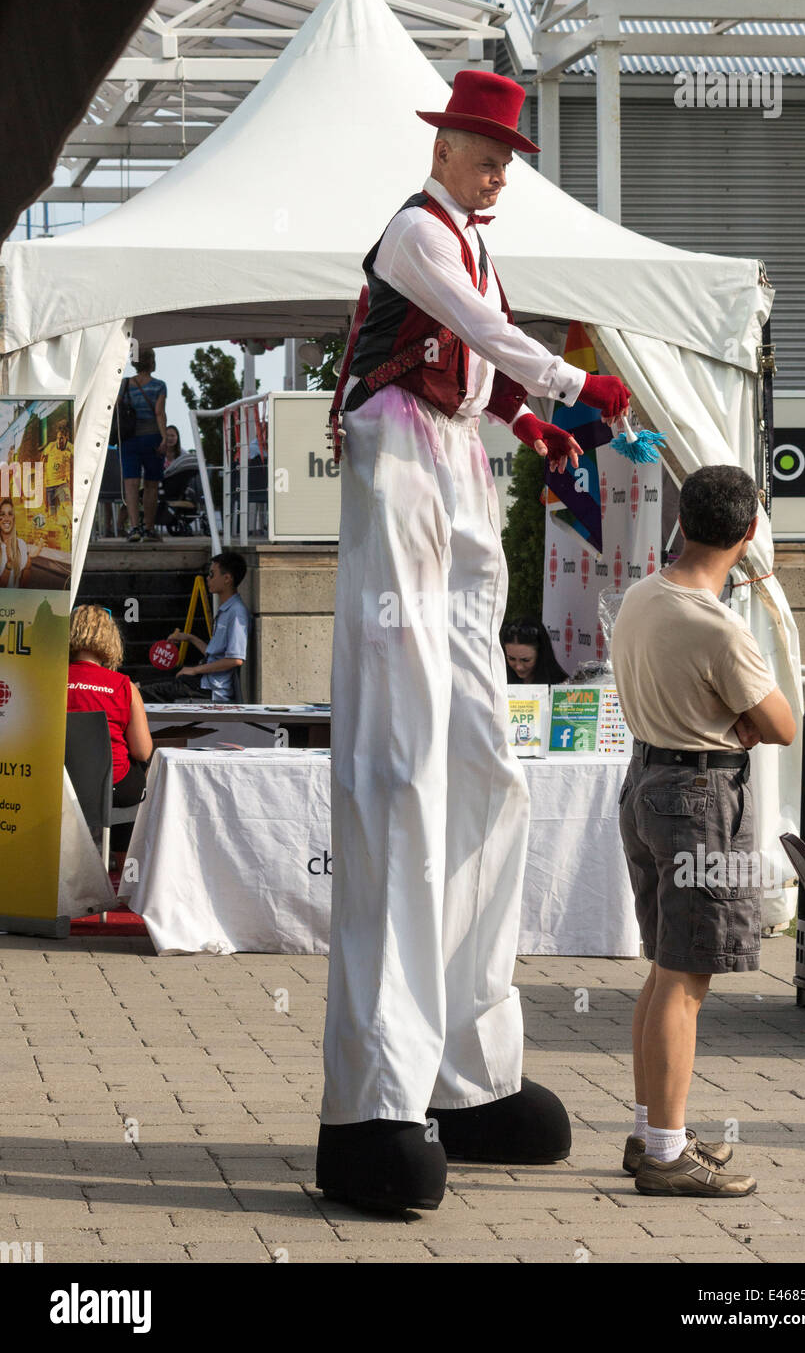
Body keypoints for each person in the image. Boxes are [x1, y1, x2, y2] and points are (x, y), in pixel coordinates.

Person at [318, 69, 631, 1213]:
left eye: (506, 153)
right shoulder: (415, 232)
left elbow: (478, 364)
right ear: (442, 145)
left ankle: (465, 1070)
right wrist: (570, 380)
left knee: (482, 764)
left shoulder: (468, 239)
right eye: (483, 148)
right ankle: (375, 1095)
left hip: (452, 453)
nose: (498, 167)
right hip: (397, 450)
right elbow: (473, 329)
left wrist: (533, 417)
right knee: (402, 761)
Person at [611, 465, 796, 1198]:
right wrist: (740, 722)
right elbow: (781, 724)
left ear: (682, 522)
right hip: (699, 797)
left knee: (664, 967)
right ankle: (663, 1150)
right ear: (749, 535)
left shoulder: (642, 595)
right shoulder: (717, 626)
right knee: (687, 979)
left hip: (648, 781)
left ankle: (652, 1129)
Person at [67, 604, 153, 809]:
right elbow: (142, 752)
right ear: (110, 638)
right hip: (112, 788)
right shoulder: (125, 686)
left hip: (60, 786)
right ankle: (120, 840)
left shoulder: (48, 680)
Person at [138, 552, 250, 703]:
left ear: (227, 578)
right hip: (203, 682)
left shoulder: (237, 612)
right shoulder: (226, 610)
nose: (208, 578)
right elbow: (215, 654)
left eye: (212, 574)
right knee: (141, 685)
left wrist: (194, 670)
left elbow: (235, 659)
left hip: (211, 690)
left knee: (141, 693)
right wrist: (190, 638)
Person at [119, 347, 168, 543]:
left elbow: (117, 409)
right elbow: (159, 413)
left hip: (128, 439)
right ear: (151, 361)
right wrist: (164, 437)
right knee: (151, 485)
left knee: (131, 485)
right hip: (152, 437)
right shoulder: (159, 386)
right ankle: (149, 529)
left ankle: (134, 528)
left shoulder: (123, 385)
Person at [501, 617, 569, 684]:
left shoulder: (562, 687)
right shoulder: (498, 680)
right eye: (511, 659)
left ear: (540, 654)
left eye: (526, 660)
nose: (519, 667)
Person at [0, 496, 44, 588]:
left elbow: (24, 579)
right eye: (2, 514)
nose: (7, 518)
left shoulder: (21, 544)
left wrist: (28, 558)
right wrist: (9, 564)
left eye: (10, 514)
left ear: (14, 518)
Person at [41, 416, 73, 524]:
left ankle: (73, 530)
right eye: (58, 438)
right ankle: (59, 530)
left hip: (62, 484)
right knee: (52, 516)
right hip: (49, 486)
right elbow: (42, 460)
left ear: (66, 437)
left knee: (69, 509)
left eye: (61, 438)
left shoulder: (70, 448)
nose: (59, 441)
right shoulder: (50, 446)